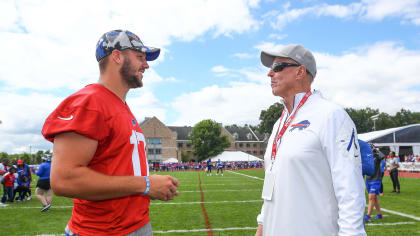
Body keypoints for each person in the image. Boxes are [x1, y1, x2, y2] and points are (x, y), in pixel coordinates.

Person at [41, 29, 179, 236]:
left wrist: (147, 186)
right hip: (103, 231)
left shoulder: (120, 105)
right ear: (117, 56)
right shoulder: (89, 102)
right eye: (140, 57)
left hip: (134, 224)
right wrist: (146, 184)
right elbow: (63, 180)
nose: (146, 65)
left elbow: (115, 168)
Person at [255, 45, 366, 236]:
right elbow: (271, 183)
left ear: (300, 71)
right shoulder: (279, 124)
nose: (270, 73)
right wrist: (261, 226)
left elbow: (350, 191)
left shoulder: (331, 116)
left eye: (278, 67)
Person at [364, 144, 386, 223]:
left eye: (370, 148)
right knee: (374, 198)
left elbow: (383, 156)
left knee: (371, 197)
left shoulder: (377, 156)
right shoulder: (366, 156)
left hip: (376, 179)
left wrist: (376, 150)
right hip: (368, 180)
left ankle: (368, 216)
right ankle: (379, 214)